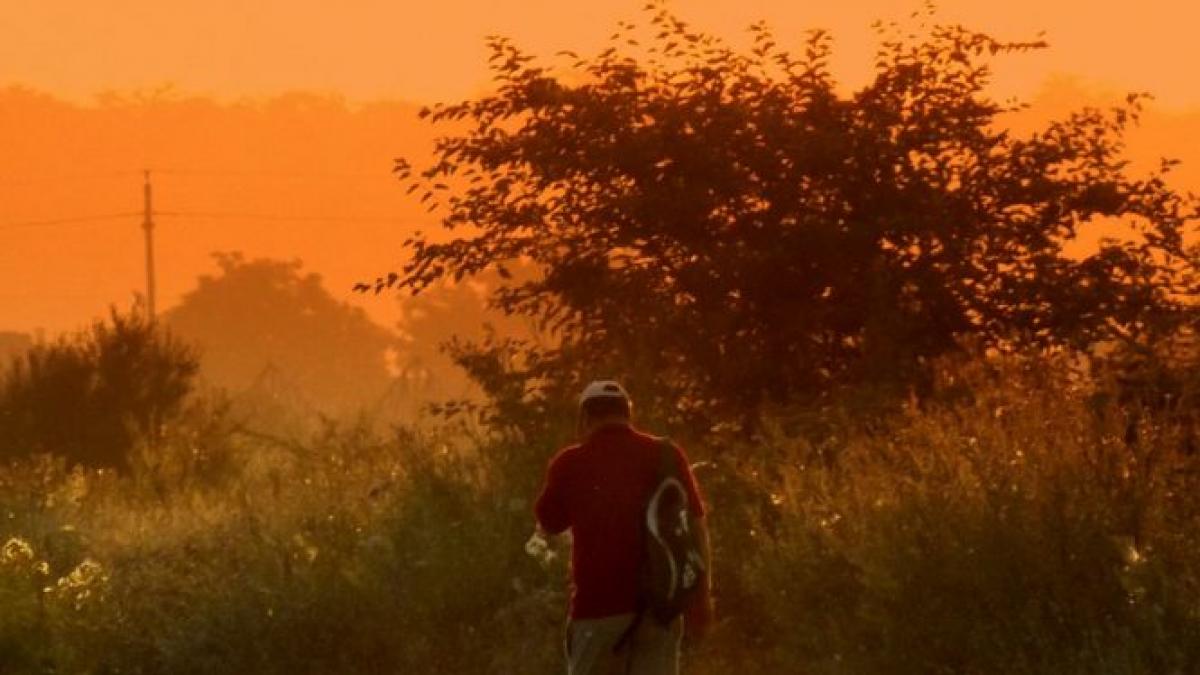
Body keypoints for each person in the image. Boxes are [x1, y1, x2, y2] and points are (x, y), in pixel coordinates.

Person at [534, 380, 713, 675]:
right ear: (628, 414)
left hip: (597, 610)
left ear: (585, 418)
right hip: (660, 608)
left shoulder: (571, 462)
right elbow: (696, 529)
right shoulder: (667, 454)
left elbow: (549, 522)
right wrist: (701, 597)